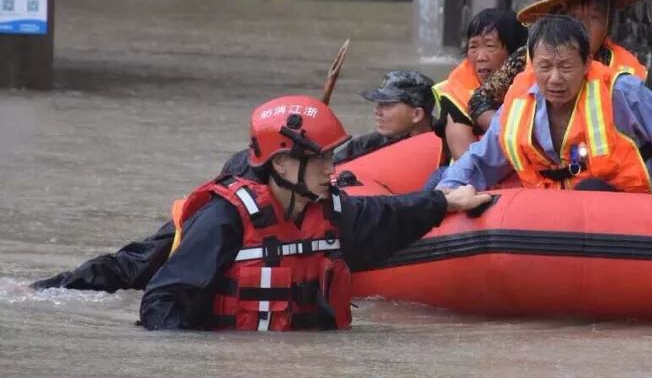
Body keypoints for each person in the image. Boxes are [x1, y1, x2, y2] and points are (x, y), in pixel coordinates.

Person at [31, 70, 441, 294]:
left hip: (276, 193)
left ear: (419, 112)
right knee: (140, 263)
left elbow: (366, 207)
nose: (378, 112)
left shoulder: (432, 149)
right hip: (241, 196)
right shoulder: (229, 213)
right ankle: (50, 286)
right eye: (378, 104)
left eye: (388, 105)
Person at [139, 94, 489, 331]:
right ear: (281, 165)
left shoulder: (330, 214)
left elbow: (388, 216)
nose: (330, 170)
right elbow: (162, 302)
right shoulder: (223, 220)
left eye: (330, 158)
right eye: (319, 159)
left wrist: (445, 201)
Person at [437, 15, 652, 213]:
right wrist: (442, 196)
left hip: (628, 211)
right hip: (549, 213)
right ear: (531, 66)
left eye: (565, 67)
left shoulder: (621, 91)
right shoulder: (517, 103)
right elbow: (480, 160)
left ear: (587, 63)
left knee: (591, 188)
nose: (554, 79)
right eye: (545, 67)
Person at [466, 0, 649, 133]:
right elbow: (480, 101)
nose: (584, 26)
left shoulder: (624, 69)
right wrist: (511, 132)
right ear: (558, 20)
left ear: (608, 24)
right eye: (574, 17)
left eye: (594, 17)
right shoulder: (529, 57)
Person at [435, 8, 527, 160]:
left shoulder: (536, 77)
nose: (480, 57)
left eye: (490, 46)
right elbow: (466, 162)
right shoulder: (458, 90)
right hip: (465, 177)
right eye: (473, 47)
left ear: (515, 51)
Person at [334, 70, 438, 163]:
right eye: (378, 104)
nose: (376, 111)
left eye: (387, 105)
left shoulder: (449, 148)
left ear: (416, 114)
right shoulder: (364, 146)